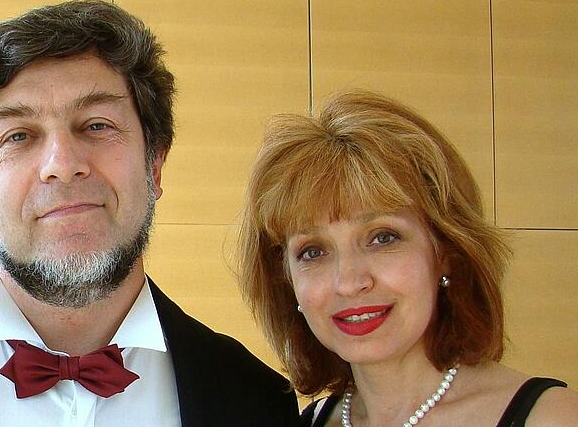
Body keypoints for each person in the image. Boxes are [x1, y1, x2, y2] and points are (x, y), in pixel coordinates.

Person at [0, 0, 299, 427]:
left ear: (155, 163)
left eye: (97, 124)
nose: (62, 167)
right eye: (18, 136)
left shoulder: (258, 401)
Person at [237, 90, 578, 426]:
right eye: (313, 251)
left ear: (446, 251)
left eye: (383, 238)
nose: (349, 282)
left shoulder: (554, 418)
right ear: (286, 278)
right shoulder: (308, 421)